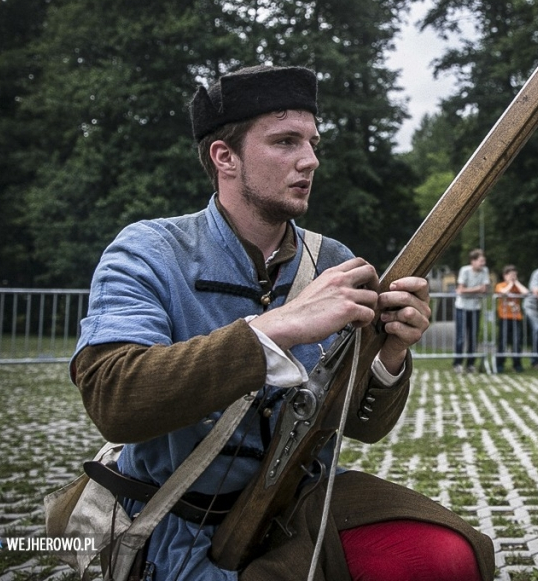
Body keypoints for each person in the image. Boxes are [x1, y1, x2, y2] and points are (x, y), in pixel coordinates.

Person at [70, 65, 493, 580]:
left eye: (312, 142)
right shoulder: (148, 251)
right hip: (173, 522)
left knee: (447, 558)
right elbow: (116, 402)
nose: (310, 159)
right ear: (225, 156)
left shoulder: (331, 260)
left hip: (299, 511)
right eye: (285, 141)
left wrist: (390, 355)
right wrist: (278, 326)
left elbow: (363, 425)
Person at [453, 248, 490, 374]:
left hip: (475, 308)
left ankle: (470, 364)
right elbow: (460, 290)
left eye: (484, 261)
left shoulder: (485, 271)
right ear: (473, 261)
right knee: (461, 337)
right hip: (462, 307)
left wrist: (471, 290)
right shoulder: (465, 270)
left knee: (473, 337)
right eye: (481, 260)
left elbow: (485, 289)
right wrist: (477, 289)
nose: (483, 263)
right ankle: (457, 363)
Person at [494, 264, 529, 373]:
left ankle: (517, 364)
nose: (513, 277)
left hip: (516, 317)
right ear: (505, 275)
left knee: (517, 341)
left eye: (515, 275)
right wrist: (510, 283)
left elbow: (526, 293)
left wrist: (516, 282)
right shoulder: (500, 285)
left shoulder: (517, 287)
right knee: (503, 341)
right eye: (510, 275)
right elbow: (503, 293)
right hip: (504, 317)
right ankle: (499, 364)